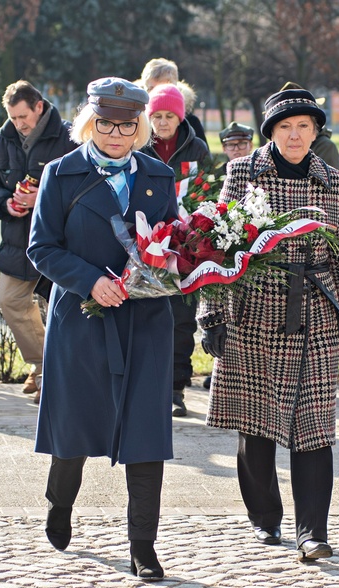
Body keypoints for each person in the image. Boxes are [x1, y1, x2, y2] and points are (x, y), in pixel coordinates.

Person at [198, 88, 339, 561]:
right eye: (286, 127)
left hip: (313, 311)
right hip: (253, 310)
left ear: (315, 132)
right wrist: (212, 314)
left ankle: (313, 532)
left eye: (305, 127)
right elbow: (217, 245)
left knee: (314, 425)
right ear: (271, 131)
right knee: (256, 424)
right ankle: (265, 517)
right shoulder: (243, 171)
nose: (295, 135)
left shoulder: (331, 180)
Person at [27, 76, 176, 580]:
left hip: (145, 320)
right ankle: (60, 502)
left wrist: (170, 268)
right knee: (74, 427)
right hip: (82, 317)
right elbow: (41, 247)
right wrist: (91, 281)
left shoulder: (158, 174)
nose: (116, 134)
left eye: (127, 125)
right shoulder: (60, 173)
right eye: (106, 124)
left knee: (146, 432)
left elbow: (172, 241)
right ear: (90, 123)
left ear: (139, 127)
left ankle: (143, 546)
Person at [0, 80, 78, 403]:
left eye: (23, 117)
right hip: (18, 240)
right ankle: (44, 365)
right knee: (10, 301)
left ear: (39, 107)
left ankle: (54, 373)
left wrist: (41, 200)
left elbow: (83, 186)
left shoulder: (71, 138)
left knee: (64, 311)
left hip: (63, 242)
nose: (18, 124)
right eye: (13, 118)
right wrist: (6, 203)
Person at [139, 83, 210, 418]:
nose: (163, 123)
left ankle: (175, 389)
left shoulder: (197, 150)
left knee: (182, 319)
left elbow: (207, 195)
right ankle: (147, 386)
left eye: (169, 116)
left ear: (181, 117)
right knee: (147, 317)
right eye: (157, 116)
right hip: (147, 246)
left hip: (186, 247)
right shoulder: (138, 146)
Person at [200, 120, 255, 393]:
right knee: (218, 312)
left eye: (243, 144)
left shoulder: (260, 171)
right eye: (232, 145)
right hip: (223, 250)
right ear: (224, 148)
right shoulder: (215, 176)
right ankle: (218, 369)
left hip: (253, 252)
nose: (238, 149)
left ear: (252, 144)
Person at [139, 57, 207, 144]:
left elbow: (203, 155)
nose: (156, 94)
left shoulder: (190, 124)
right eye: (151, 88)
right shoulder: (134, 120)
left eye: (163, 89)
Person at [281, 82, 339, 170]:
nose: (294, 135)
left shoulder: (325, 147)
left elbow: (328, 181)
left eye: (302, 125)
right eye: (284, 126)